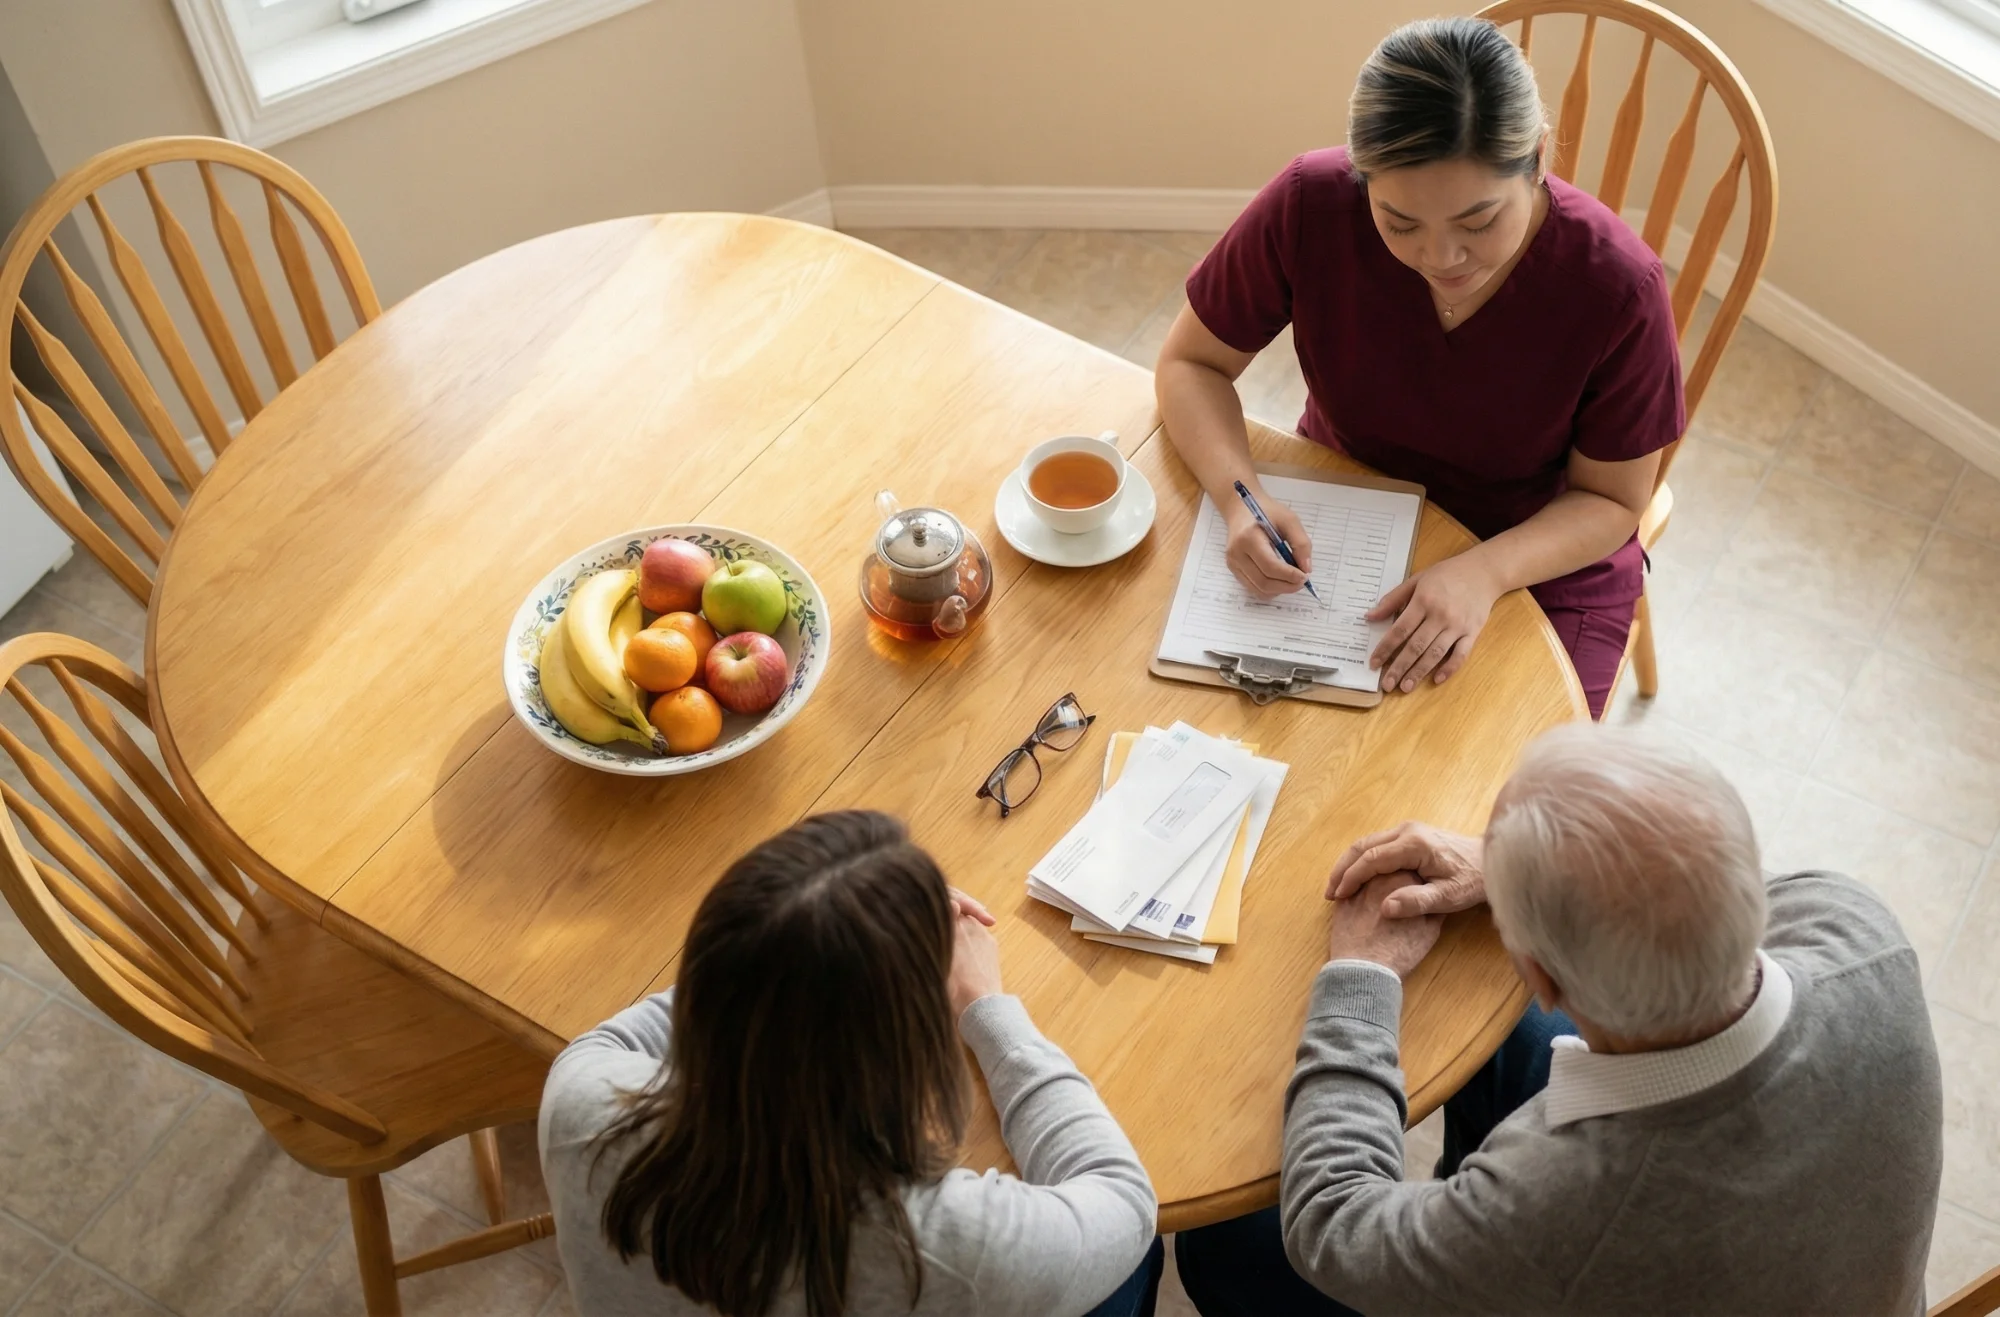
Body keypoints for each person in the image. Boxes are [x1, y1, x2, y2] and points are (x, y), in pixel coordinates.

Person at [1175, 723, 1943, 1315]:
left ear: (1538, 973)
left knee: (1230, 1241)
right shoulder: (1861, 933)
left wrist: (1361, 975)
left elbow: (1333, 1220)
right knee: (1501, 1042)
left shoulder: (1563, 1212)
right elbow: (1682, 881)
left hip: (1603, 1251)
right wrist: (1507, 866)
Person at [1156, 17, 1683, 718]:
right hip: (1349, 505)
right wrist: (1238, 500)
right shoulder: (1312, 203)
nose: (1440, 259)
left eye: (1477, 222)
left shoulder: (1618, 287)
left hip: (1534, 556)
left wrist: (1483, 572)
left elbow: (1615, 501)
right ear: (1360, 178)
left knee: (1495, 803)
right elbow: (1193, 362)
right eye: (1400, 224)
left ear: (1537, 160)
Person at [539, 810, 1162, 1317]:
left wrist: (817, 930)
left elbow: (663, 1023)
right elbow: (1125, 1201)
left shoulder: (579, 1106)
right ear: (897, 1054)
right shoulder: (952, 1249)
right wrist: (986, 1007)